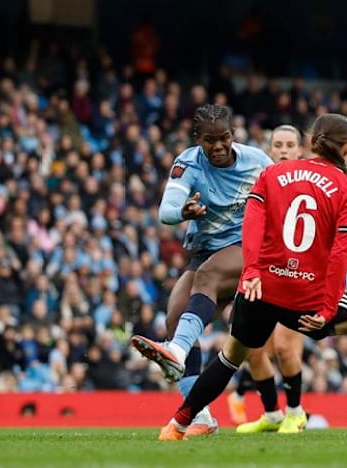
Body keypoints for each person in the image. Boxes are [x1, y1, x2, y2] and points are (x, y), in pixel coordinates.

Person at [158, 113, 347, 441]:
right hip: (306, 294)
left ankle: (177, 425)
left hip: (261, 287)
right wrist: (327, 309)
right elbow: (339, 256)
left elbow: (252, 228)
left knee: (231, 356)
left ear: (310, 142)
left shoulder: (272, 173)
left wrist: (254, 272)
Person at [131, 104, 273, 437]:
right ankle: (200, 417)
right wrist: (183, 211)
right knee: (175, 317)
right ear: (198, 140)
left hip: (250, 247)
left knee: (207, 280)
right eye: (210, 140)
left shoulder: (257, 162)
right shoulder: (188, 163)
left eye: (224, 138)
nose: (219, 146)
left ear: (233, 136)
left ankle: (176, 352)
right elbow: (166, 211)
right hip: (206, 250)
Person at [226, 125, 311, 433]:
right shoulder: (259, 182)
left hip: (295, 277)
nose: (285, 150)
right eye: (279, 145)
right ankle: (272, 414)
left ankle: (296, 411)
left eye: (290, 144)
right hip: (260, 278)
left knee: (285, 348)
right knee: (253, 351)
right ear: (270, 150)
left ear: (300, 151)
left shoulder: (310, 186)